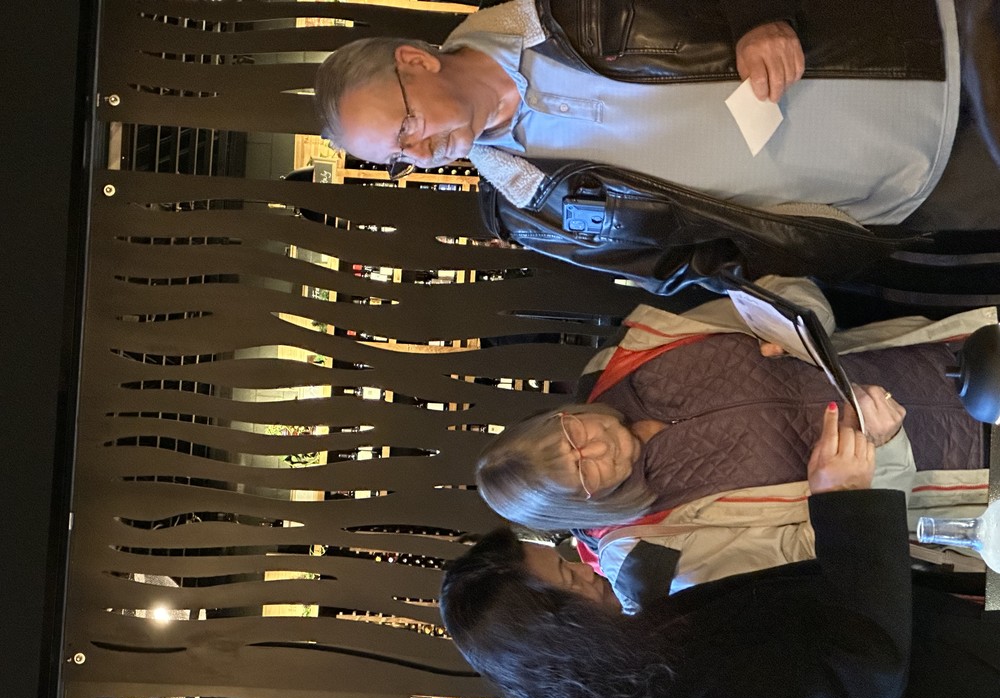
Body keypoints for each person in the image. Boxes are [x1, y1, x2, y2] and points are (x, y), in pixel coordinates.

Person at [440, 407, 1000, 698]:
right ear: (561, 633)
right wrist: (846, 503)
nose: (586, 572)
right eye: (568, 574)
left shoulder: (631, 668)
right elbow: (856, 688)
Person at [475, 276, 993, 605]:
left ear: (561, 414)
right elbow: (821, 560)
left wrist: (793, 320)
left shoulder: (628, 356)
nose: (594, 449)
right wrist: (883, 449)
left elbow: (779, 295)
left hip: (952, 355)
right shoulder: (647, 556)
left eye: (572, 435)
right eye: (581, 472)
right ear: (579, 508)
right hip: (971, 483)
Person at [315, 0, 999, 232]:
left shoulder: (563, 11)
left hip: (929, 41)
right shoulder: (534, 211)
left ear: (417, 61)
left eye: (406, 128)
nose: (422, 153)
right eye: (399, 159)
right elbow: (681, 257)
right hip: (910, 187)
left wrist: (760, 15)